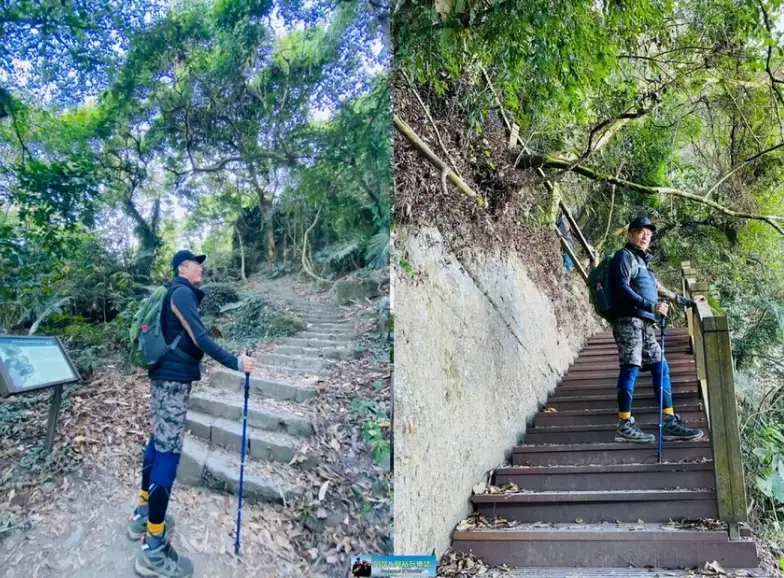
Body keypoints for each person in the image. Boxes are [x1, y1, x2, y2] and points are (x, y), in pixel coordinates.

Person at [128, 250, 257, 578]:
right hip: (172, 381)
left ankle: (143, 513)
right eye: (196, 263)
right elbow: (201, 336)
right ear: (182, 268)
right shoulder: (182, 293)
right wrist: (236, 363)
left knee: (158, 443)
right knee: (168, 453)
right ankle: (153, 547)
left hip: (163, 377)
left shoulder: (175, 293)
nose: (201, 267)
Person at [609, 216, 706, 443]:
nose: (646, 237)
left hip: (645, 325)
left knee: (660, 366)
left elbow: (660, 290)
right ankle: (623, 424)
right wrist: (651, 306)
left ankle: (669, 420)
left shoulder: (644, 265)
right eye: (641, 232)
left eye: (649, 234)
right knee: (630, 367)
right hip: (628, 322)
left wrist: (689, 302)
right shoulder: (623, 257)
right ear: (630, 233)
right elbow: (622, 287)